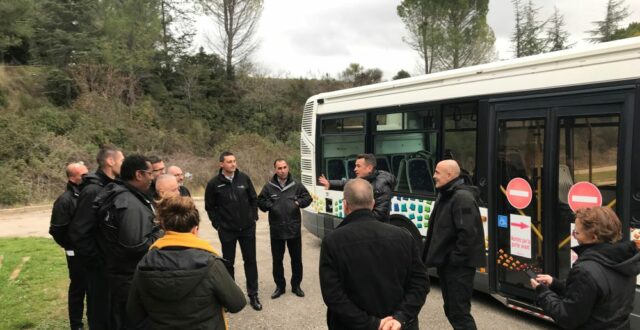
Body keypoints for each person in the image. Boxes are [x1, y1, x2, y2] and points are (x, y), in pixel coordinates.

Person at [319, 178, 429, 330]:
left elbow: (334, 296)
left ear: (345, 205)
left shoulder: (332, 241)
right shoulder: (404, 236)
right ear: (372, 204)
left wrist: (372, 324)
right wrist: (400, 318)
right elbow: (420, 283)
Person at [127, 196, 246, 328]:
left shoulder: (145, 263)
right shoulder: (211, 263)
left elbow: (133, 312)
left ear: (164, 227)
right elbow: (237, 303)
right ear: (195, 229)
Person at [531, 207, 640, 329]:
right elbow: (596, 294)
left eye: (576, 233)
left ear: (593, 237)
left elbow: (567, 317)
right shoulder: (625, 259)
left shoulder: (585, 270)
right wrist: (555, 283)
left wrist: (543, 293)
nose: (575, 237)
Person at [94, 154, 163, 329]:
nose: (152, 177)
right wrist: (161, 232)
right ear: (139, 175)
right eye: (150, 173)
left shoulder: (124, 194)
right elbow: (135, 245)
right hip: (129, 279)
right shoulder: (129, 203)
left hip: (121, 276)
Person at [422, 159, 485, 330]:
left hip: (458, 268)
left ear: (449, 174)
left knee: (459, 313)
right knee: (451, 310)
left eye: (437, 172)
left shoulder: (461, 197)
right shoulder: (447, 194)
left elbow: (468, 235)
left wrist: (454, 260)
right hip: (449, 266)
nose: (434, 176)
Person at [68, 144, 124, 330]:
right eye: (121, 160)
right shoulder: (93, 190)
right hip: (100, 267)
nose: (123, 165)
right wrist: (97, 261)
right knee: (100, 313)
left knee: (113, 312)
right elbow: (79, 232)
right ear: (110, 161)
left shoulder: (111, 186)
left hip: (111, 264)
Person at [204, 151, 262, 311]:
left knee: (250, 261)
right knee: (228, 263)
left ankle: (253, 295)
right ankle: (231, 298)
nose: (233, 164)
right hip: (227, 231)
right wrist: (218, 225)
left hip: (247, 229)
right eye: (229, 162)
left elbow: (253, 198)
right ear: (221, 164)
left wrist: (253, 216)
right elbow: (210, 207)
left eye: (234, 161)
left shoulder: (244, 178)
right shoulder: (214, 184)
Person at [257, 159, 313, 299]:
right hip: (276, 230)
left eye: (284, 167)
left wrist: (298, 202)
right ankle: (280, 287)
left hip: (293, 229)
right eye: (279, 168)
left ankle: (296, 286)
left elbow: (308, 198)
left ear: (288, 168)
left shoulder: (297, 185)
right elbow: (261, 202)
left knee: (296, 259)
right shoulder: (269, 186)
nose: (282, 170)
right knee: (277, 260)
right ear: (275, 169)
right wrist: (270, 205)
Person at [49, 162, 89, 330]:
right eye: (83, 176)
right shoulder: (64, 200)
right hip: (76, 253)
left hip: (92, 251)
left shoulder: (88, 194)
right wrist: (70, 247)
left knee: (94, 287)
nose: (88, 178)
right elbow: (56, 230)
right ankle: (76, 325)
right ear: (73, 178)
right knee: (78, 289)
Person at [318, 153, 395, 222]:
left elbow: (379, 215)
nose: (355, 169)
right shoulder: (366, 179)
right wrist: (330, 183)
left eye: (358, 166)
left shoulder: (382, 187)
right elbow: (349, 183)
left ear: (369, 168)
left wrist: (355, 218)